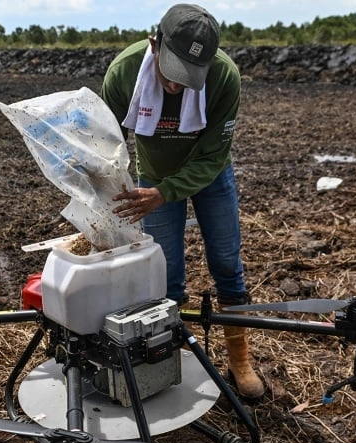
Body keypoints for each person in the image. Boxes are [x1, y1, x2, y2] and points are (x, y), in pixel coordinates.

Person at [101, 3, 264, 399]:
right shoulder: (123, 74)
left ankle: (239, 359)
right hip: (154, 176)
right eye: (171, 75)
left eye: (188, 79)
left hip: (210, 174)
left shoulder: (224, 77)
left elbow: (212, 156)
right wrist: (110, 190)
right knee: (164, 274)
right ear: (154, 45)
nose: (175, 87)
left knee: (226, 262)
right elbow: (106, 142)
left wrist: (167, 193)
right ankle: (173, 356)